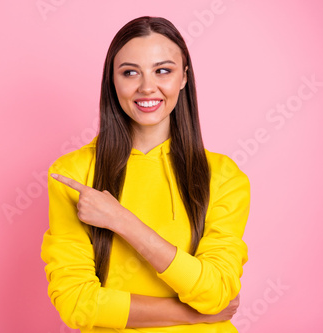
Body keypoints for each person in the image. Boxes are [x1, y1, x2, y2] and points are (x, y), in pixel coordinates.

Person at [40, 16, 250, 332]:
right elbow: (77, 305)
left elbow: (217, 291)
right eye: (130, 72)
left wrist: (123, 221)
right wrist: (196, 315)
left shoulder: (223, 176)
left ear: (183, 77)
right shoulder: (73, 173)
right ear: (112, 80)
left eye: (163, 70)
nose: (147, 87)